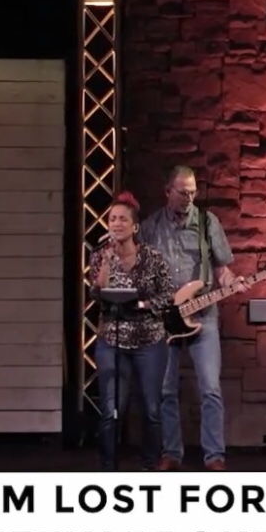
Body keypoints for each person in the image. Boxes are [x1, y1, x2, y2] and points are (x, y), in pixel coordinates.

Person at [138, 165, 242, 471]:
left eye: (193, 192)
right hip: (164, 320)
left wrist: (231, 281)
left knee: (210, 388)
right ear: (167, 192)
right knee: (166, 390)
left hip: (203, 315)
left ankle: (214, 456)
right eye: (183, 193)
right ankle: (171, 453)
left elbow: (222, 269)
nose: (189, 198)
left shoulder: (208, 223)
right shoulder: (150, 227)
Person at [88, 191, 174, 471]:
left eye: (123, 219)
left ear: (135, 226)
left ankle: (150, 465)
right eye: (112, 219)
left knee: (151, 409)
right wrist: (106, 261)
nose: (116, 224)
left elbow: (167, 296)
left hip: (149, 341)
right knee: (112, 410)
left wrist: (143, 304)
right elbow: (96, 294)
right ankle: (108, 468)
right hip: (112, 340)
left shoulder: (152, 258)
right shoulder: (100, 255)